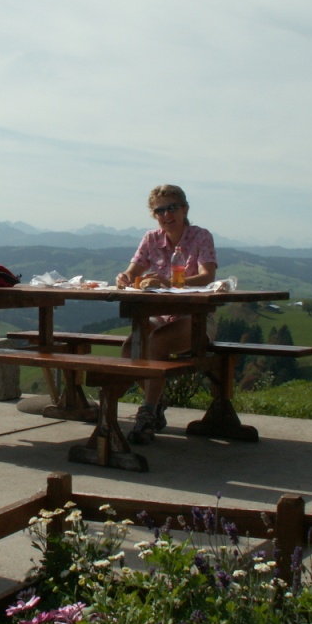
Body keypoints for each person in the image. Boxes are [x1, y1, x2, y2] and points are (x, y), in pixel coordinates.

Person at [114, 184, 218, 444]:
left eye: (172, 207)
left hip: (196, 317)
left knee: (156, 341)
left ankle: (148, 413)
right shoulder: (151, 238)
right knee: (130, 349)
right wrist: (125, 277)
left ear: (184, 209)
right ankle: (157, 400)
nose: (166, 214)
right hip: (160, 315)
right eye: (159, 210)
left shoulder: (201, 236)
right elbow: (134, 269)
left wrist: (170, 283)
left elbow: (208, 276)